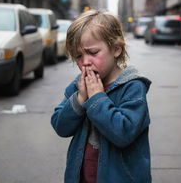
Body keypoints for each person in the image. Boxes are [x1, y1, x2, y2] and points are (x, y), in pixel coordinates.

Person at [51, 10, 152, 183]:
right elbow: (61, 126)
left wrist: (97, 98)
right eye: (78, 56)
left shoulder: (132, 87)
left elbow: (124, 133)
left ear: (116, 49)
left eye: (93, 52)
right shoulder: (79, 86)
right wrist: (80, 99)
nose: (85, 62)